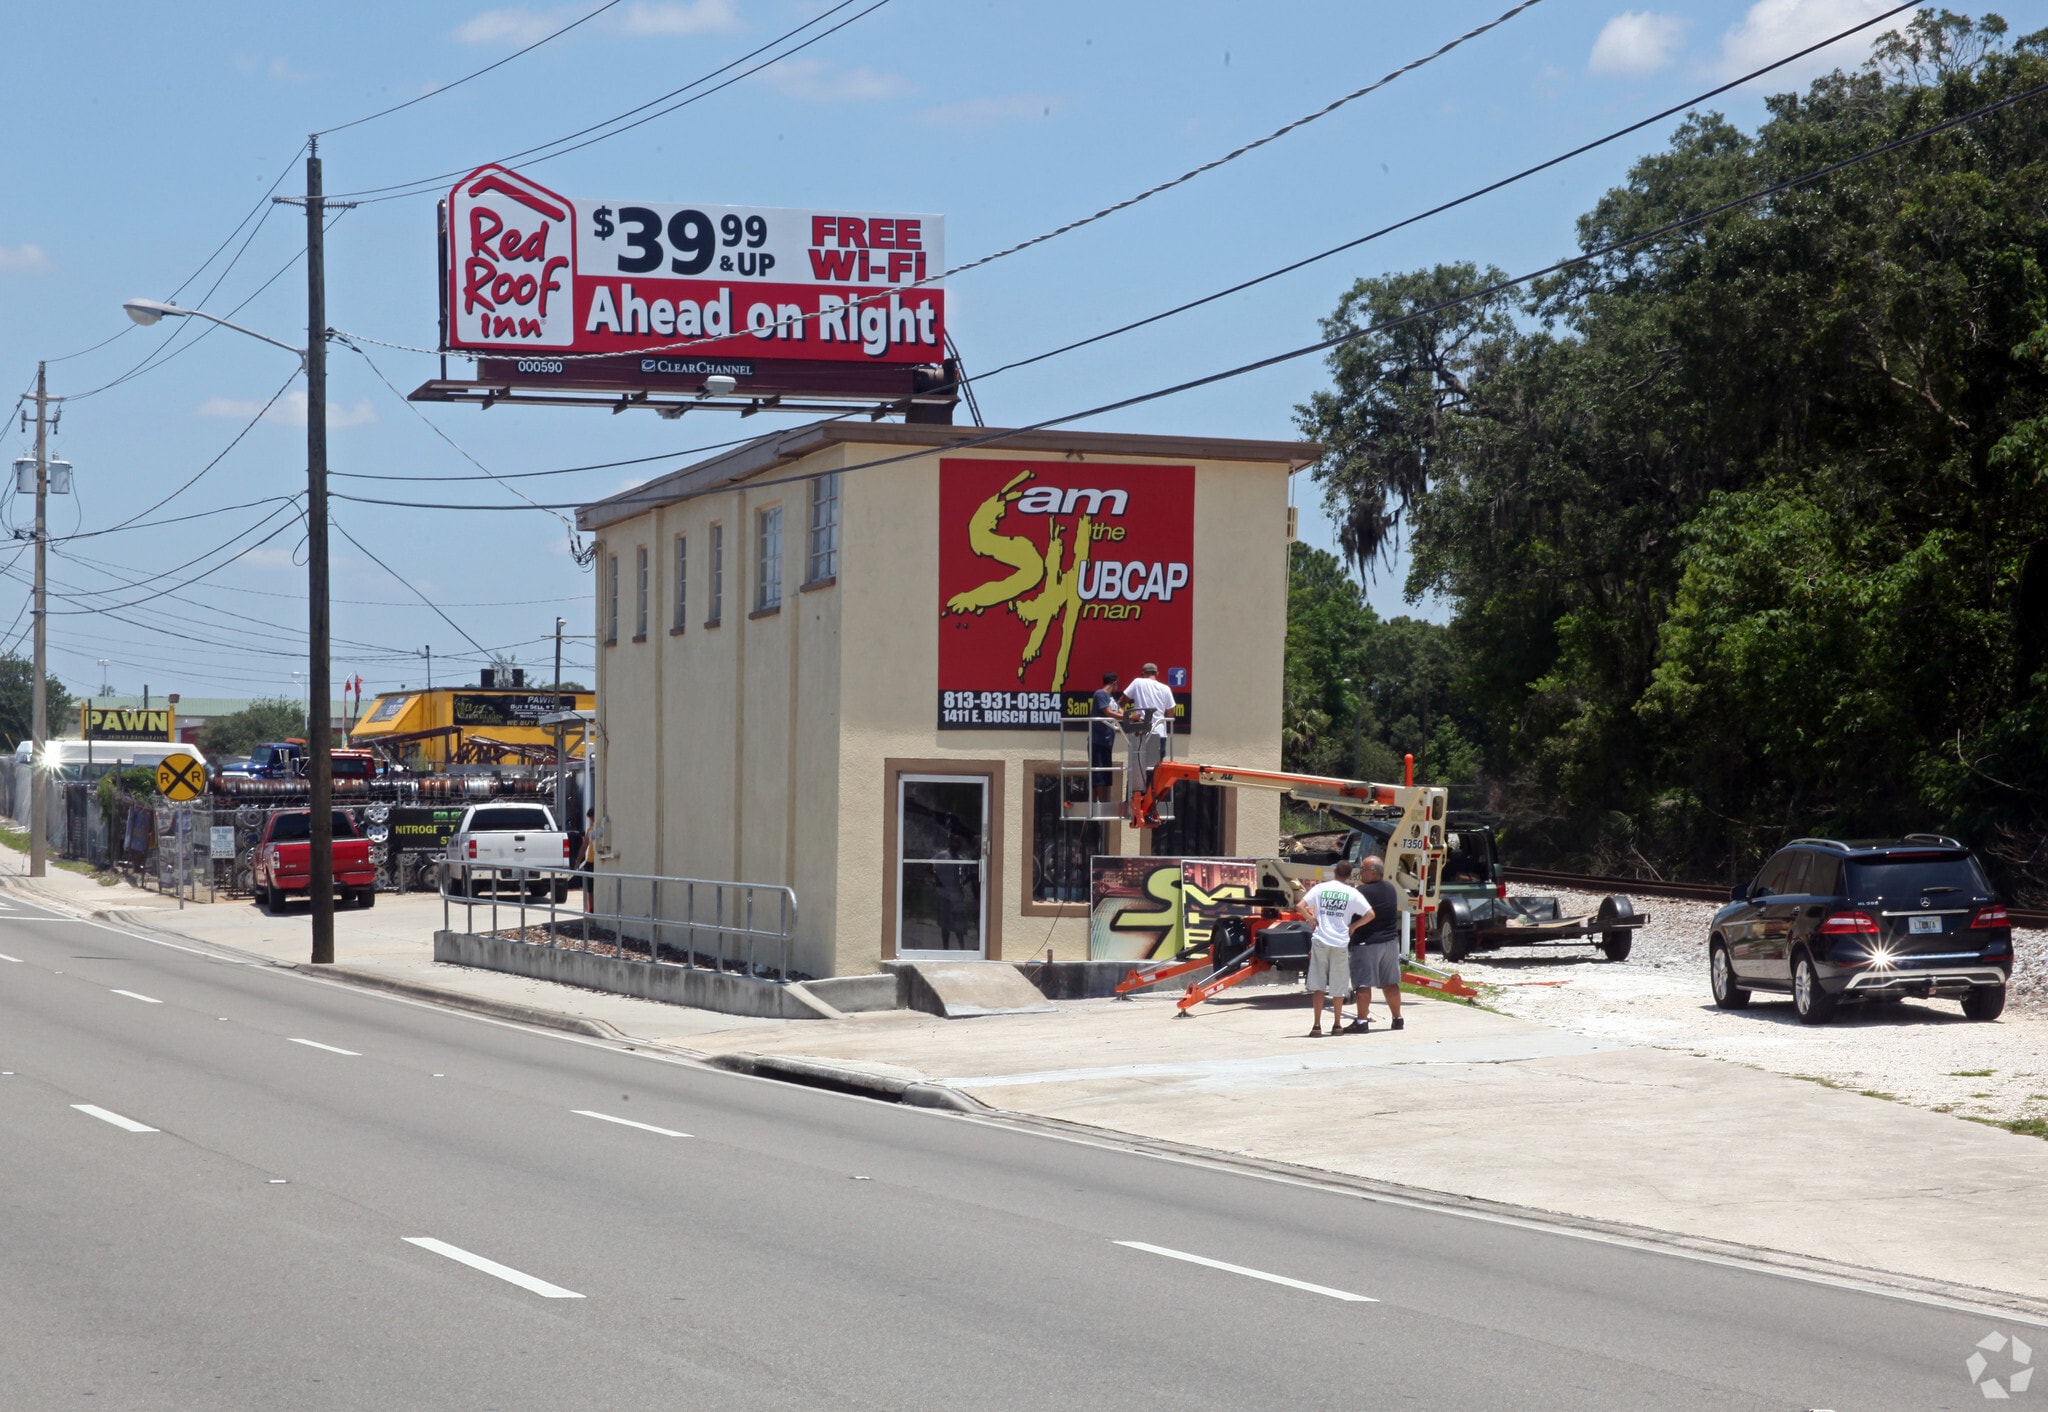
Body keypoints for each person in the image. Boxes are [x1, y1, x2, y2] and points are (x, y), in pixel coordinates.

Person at [1297, 860, 1372, 1037]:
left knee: (1318, 986)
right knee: (1339, 986)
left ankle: (1316, 1025)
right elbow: (1370, 914)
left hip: (1320, 940)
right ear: (1350, 875)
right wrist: (1354, 926)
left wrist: (1311, 919)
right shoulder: (1352, 893)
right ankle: (1337, 1024)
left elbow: (1300, 905)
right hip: (1340, 942)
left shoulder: (1320, 888)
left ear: (1334, 872)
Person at [1345, 854, 1404, 1032]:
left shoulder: (1362, 892)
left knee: (1362, 984)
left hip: (1367, 944)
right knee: (1390, 983)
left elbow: (1349, 914)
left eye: (1363, 869)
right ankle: (1397, 1019)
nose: (1360, 872)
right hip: (1390, 943)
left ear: (1373, 873)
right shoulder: (1391, 888)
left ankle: (1361, 1022)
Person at [1120, 662, 1176, 817]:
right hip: (1159, 733)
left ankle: (1133, 800)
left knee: (1137, 768)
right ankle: (1151, 802)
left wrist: (1127, 717)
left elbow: (1121, 702)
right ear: (1157, 673)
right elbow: (1170, 714)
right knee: (1155, 771)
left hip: (1141, 733)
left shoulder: (1138, 682)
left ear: (1142, 673)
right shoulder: (1165, 688)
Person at [1089, 669, 1124, 803]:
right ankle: (1099, 804)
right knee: (1098, 773)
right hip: (1098, 740)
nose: (1118, 687)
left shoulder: (1112, 699)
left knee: (1105, 775)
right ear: (1115, 682)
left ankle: (1101, 803)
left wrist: (1132, 717)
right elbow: (1108, 712)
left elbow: (1121, 712)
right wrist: (1127, 717)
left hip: (1107, 742)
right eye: (1118, 684)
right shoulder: (1100, 694)